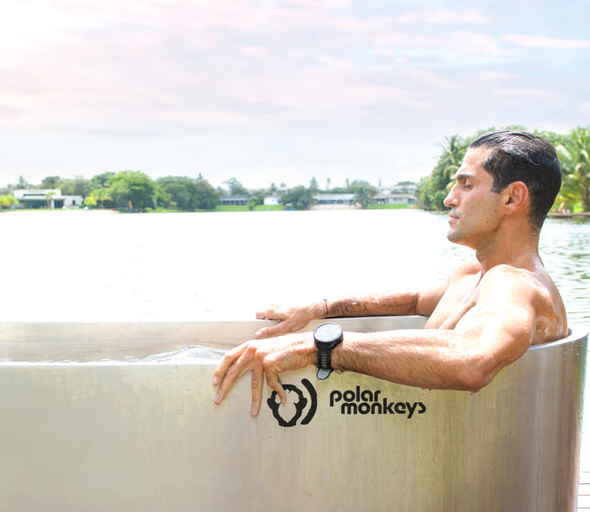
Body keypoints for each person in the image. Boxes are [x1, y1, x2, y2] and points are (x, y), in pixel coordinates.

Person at [212, 130, 568, 416]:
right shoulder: (475, 272)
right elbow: (414, 300)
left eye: (467, 184)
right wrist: (320, 307)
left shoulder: (514, 283)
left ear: (511, 199)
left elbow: (472, 360)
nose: (449, 198)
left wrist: (319, 347)